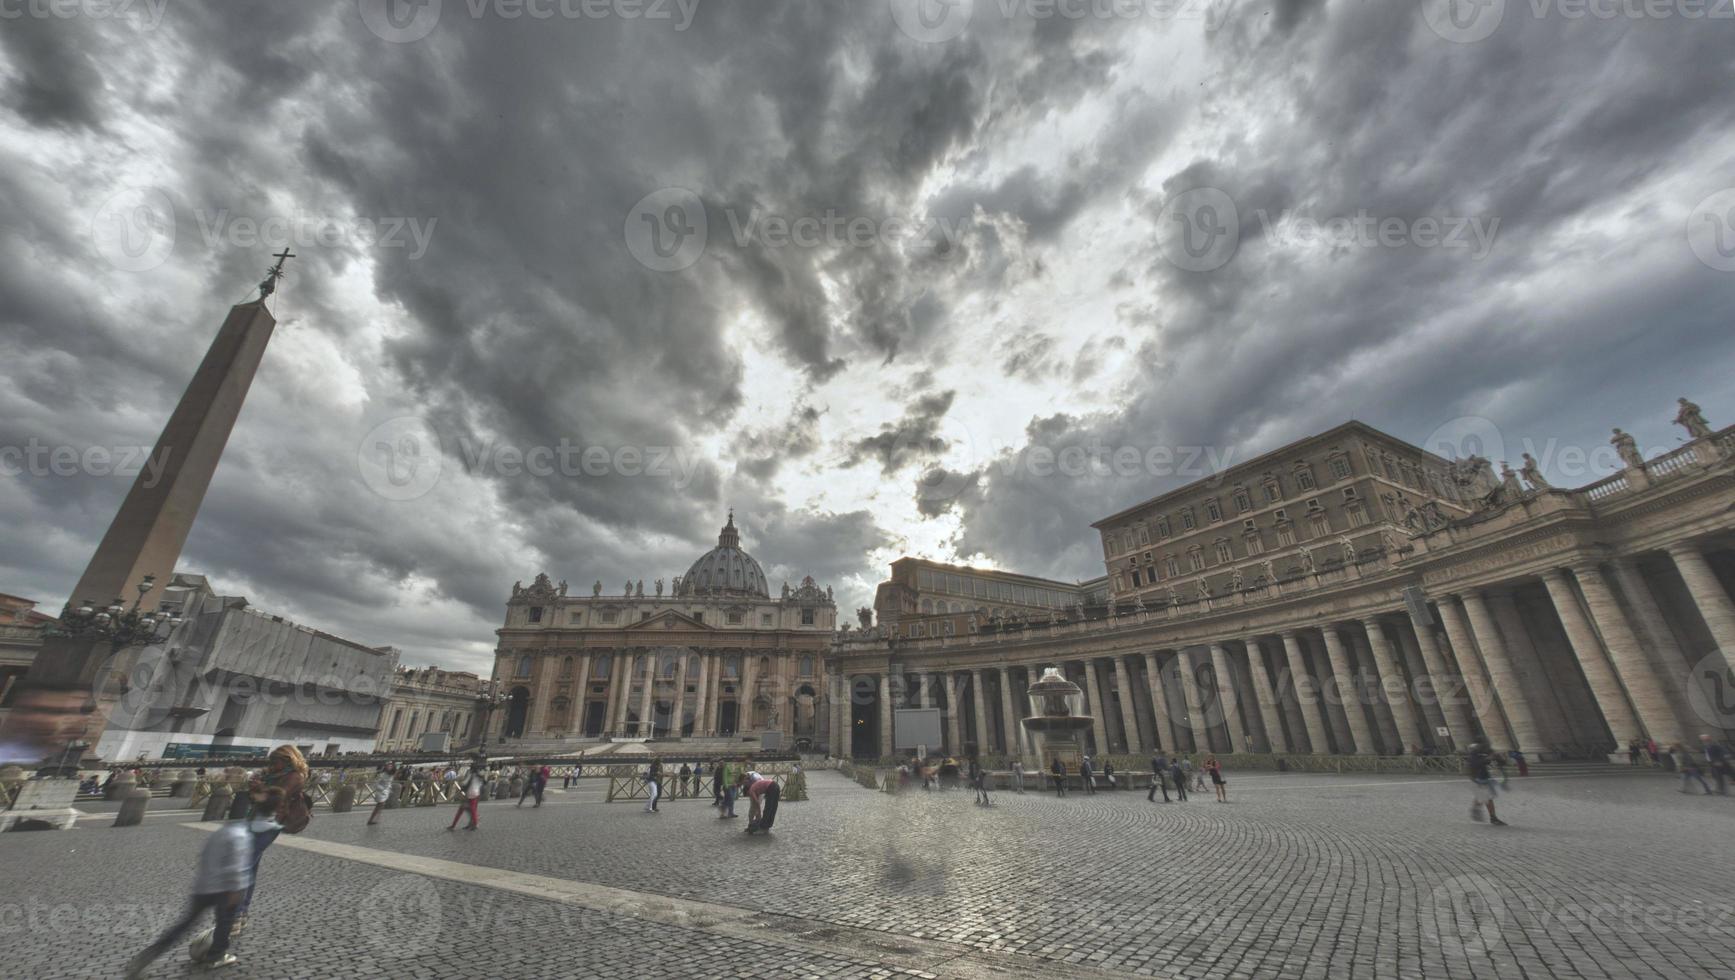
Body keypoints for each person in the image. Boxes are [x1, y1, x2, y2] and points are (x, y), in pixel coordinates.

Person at [123, 813, 252, 976]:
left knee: (183, 926)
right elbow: (237, 866)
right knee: (225, 923)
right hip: (225, 889)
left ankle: (148, 955)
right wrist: (237, 889)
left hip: (203, 886)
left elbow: (204, 856)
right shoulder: (241, 835)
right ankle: (217, 956)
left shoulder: (218, 833)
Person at [236, 745, 309, 928]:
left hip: (270, 823)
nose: (271, 765)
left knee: (244, 865)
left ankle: (236, 915)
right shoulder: (270, 776)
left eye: (274, 761)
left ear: (287, 760)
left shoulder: (294, 777)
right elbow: (256, 799)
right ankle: (241, 913)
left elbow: (275, 799)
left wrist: (260, 788)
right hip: (254, 819)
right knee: (249, 867)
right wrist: (254, 788)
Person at [1466, 742, 1508, 826]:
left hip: (1484, 778)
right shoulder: (1472, 757)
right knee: (1486, 798)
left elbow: (1498, 763)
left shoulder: (1481, 756)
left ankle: (1477, 810)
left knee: (1485, 798)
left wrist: (1498, 757)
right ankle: (1492, 818)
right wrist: (1489, 758)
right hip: (1478, 780)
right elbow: (1478, 764)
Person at [448, 759, 485, 830]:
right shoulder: (480, 775)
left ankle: (455, 825)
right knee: (471, 809)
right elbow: (482, 783)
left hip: (469, 793)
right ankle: (473, 823)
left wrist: (461, 784)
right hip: (477, 793)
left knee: (463, 810)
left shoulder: (471, 773)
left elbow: (465, 782)